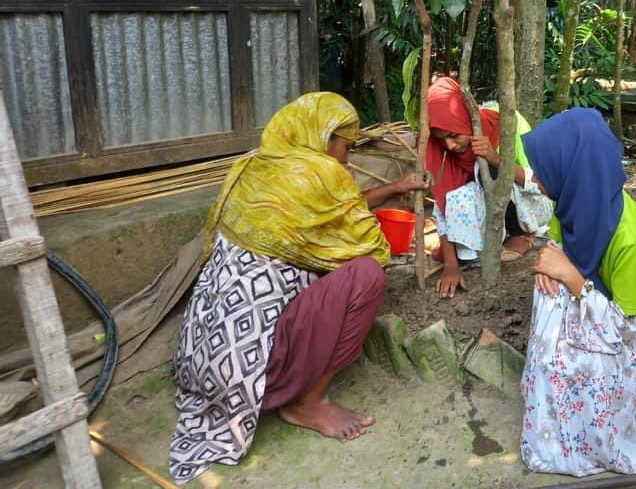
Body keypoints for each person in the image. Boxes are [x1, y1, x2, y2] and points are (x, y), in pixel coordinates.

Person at [169, 92, 429, 485]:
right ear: (323, 138)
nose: (345, 157)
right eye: (344, 146)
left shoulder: (254, 165)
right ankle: (307, 404)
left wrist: (392, 189)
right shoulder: (321, 174)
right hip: (259, 375)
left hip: (202, 364)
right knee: (366, 276)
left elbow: (323, 214)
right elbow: (371, 247)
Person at [518, 108, 636, 477]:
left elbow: (625, 331)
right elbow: (557, 242)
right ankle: (553, 399)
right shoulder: (574, 200)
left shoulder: (631, 239)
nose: (536, 178)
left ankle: (584, 437)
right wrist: (552, 265)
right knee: (548, 295)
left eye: (542, 169)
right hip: (603, 305)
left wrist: (571, 277)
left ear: (571, 169)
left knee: (571, 364)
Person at [425, 77, 551, 298]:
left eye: (454, 135)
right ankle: (484, 245)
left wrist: (495, 158)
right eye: (442, 139)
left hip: (530, 202)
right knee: (459, 193)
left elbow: (539, 183)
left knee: (490, 172)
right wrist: (451, 266)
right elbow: (442, 204)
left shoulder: (507, 126)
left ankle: (522, 234)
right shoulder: (442, 151)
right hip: (489, 220)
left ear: (465, 120)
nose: (450, 146)